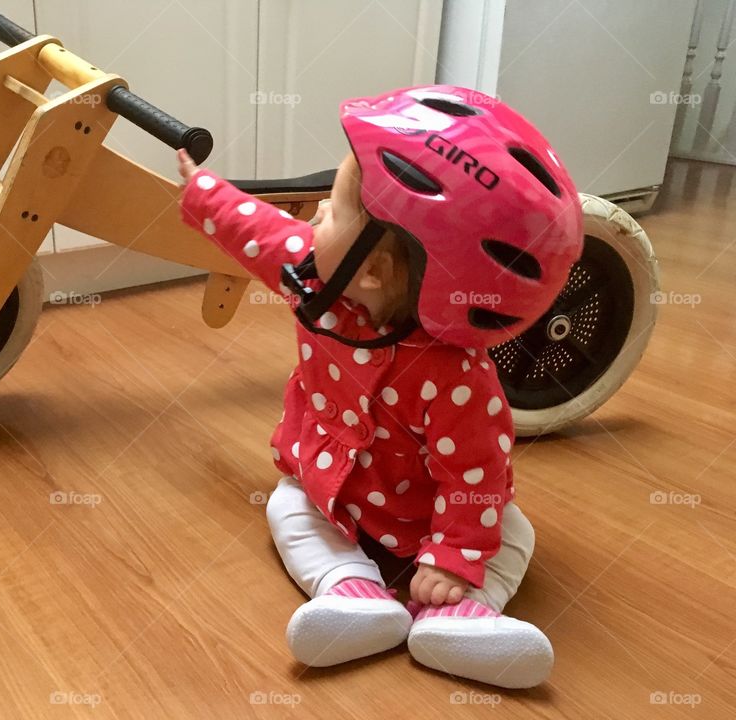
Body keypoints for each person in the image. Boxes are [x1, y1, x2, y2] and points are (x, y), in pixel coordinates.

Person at [177, 85, 583, 688]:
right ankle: (353, 592)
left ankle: (465, 617)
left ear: (371, 269)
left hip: (434, 512)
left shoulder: (458, 377)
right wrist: (202, 188)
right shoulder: (317, 278)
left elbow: (476, 477)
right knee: (289, 505)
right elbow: (256, 231)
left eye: (333, 209)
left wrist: (455, 557)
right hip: (335, 490)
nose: (315, 214)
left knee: (510, 531)